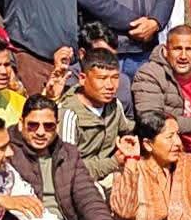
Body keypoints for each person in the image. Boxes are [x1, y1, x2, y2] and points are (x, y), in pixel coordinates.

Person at [4, 96, 122, 220]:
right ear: (21, 123)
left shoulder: (68, 153)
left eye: (48, 126)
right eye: (33, 125)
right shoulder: (6, 151)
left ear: (57, 126)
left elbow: (88, 197)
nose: (41, 132)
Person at [130, 25, 191, 178]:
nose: (183, 56)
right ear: (166, 51)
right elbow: (150, 120)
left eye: (190, 49)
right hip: (167, 153)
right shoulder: (149, 74)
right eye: (177, 49)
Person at [58, 49, 137, 184]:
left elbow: (126, 130)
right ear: (83, 79)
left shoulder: (114, 105)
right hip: (79, 183)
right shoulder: (68, 114)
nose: (110, 86)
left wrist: (128, 142)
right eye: (102, 79)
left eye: (115, 78)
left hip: (109, 174)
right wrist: (113, 163)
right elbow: (67, 168)